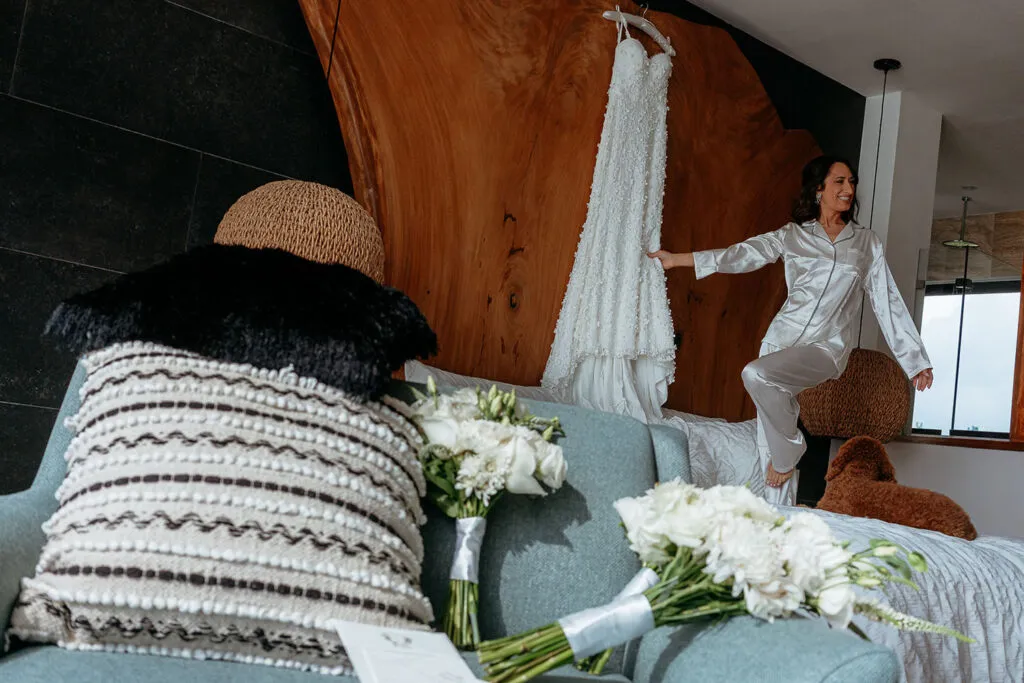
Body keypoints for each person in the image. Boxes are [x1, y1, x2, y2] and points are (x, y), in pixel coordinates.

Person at [649, 155, 933, 505]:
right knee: (768, 440)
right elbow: (743, 254)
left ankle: (790, 450)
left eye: (851, 182)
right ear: (819, 189)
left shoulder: (866, 244)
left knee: (756, 379)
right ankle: (778, 525)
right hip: (782, 339)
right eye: (839, 182)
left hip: (827, 347)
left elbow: (887, 301)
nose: (848, 189)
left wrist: (915, 360)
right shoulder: (793, 236)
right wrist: (679, 259)